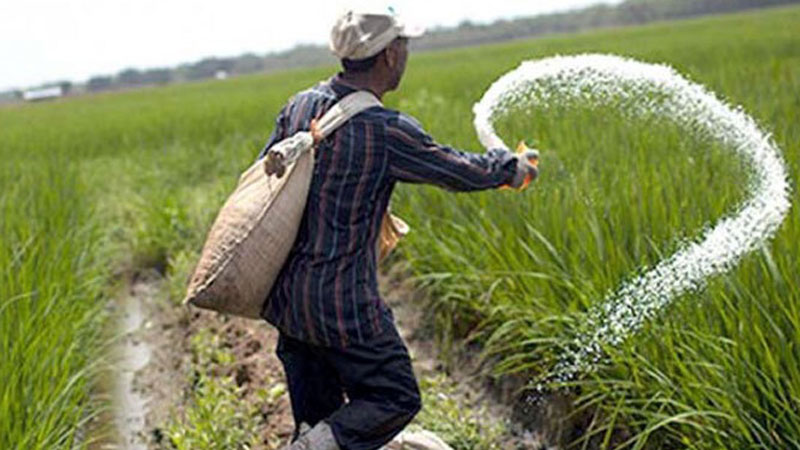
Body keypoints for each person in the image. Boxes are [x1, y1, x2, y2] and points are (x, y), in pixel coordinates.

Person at [257, 8, 539, 450]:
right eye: (404, 45)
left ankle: (311, 442)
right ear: (389, 54)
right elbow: (457, 170)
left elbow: (264, 181)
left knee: (319, 423)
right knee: (394, 396)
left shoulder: (300, 107)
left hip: (290, 303)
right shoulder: (383, 130)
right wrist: (511, 169)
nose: (406, 53)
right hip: (344, 306)